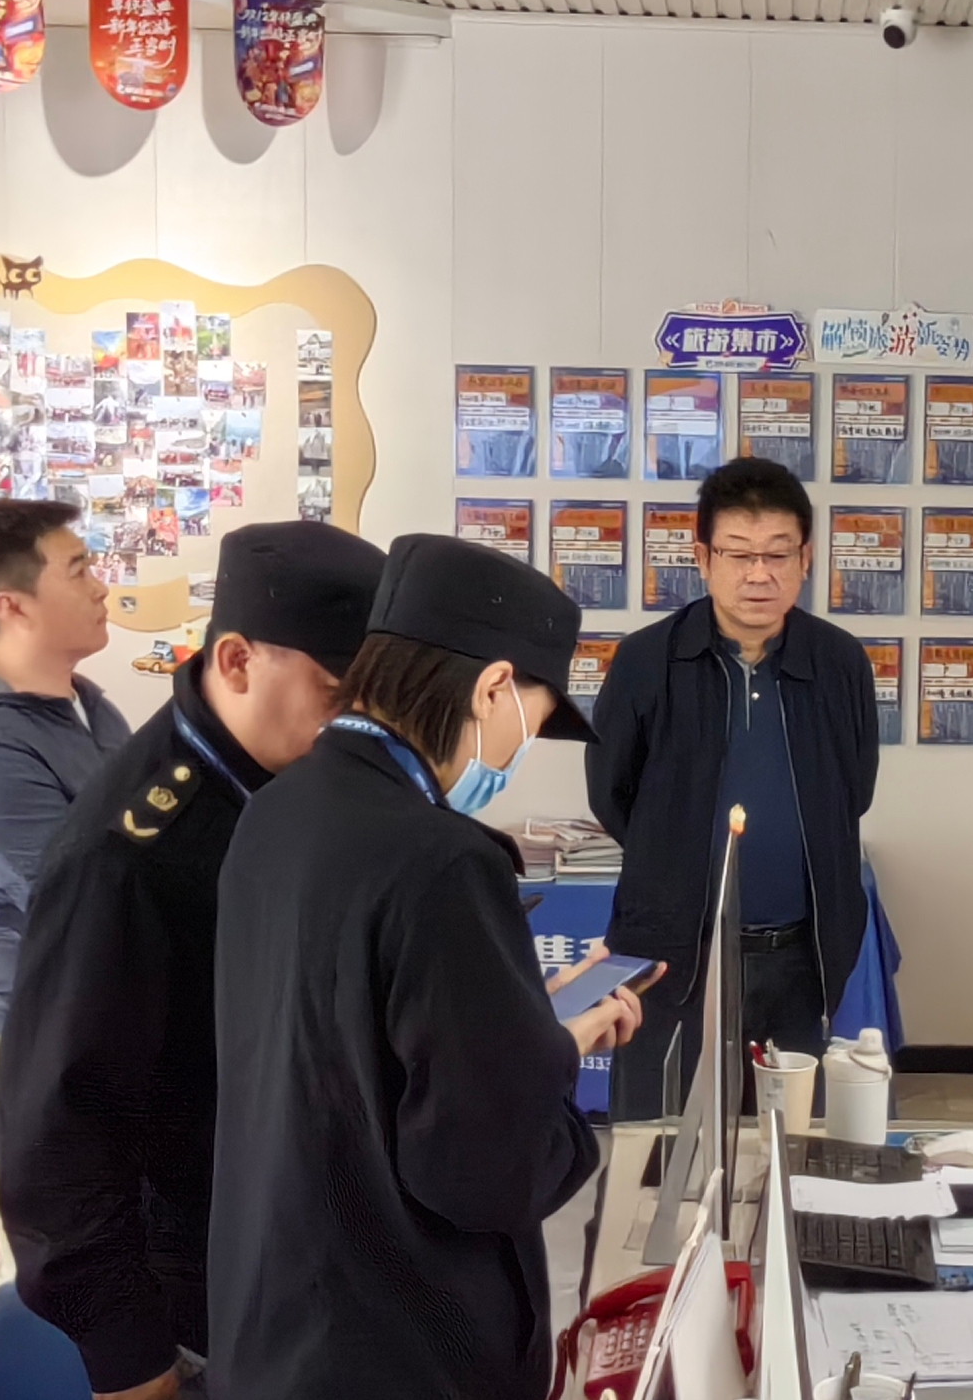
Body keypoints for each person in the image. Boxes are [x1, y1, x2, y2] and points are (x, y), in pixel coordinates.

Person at [208, 534, 647, 1400]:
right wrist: (550, 1060)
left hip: (277, 1318)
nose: (522, 748)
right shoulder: (444, 859)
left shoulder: (276, 809)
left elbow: (348, 1044)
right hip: (399, 1339)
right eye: (533, 720)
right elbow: (484, 1171)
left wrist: (520, 1024)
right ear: (492, 687)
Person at [0, 522, 385, 1400]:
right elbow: (58, 1131)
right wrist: (129, 1359)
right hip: (194, 1285)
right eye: (335, 695)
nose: (353, 725)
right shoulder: (130, 853)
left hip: (299, 1245)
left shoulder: (285, 780)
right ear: (238, 661)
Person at [588, 457, 880, 1120]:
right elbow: (612, 794)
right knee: (661, 1137)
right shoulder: (647, 660)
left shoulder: (839, 662)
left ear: (806, 558)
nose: (759, 574)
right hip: (673, 955)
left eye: (778, 554)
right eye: (739, 554)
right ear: (703, 558)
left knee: (786, 1139)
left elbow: (853, 791)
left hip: (798, 956)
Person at [0, 498, 129, 1290]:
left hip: (98, 1024)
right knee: (52, 1286)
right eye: (78, 570)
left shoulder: (86, 705)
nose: (101, 586)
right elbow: (74, 900)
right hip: (28, 1039)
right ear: (13, 605)